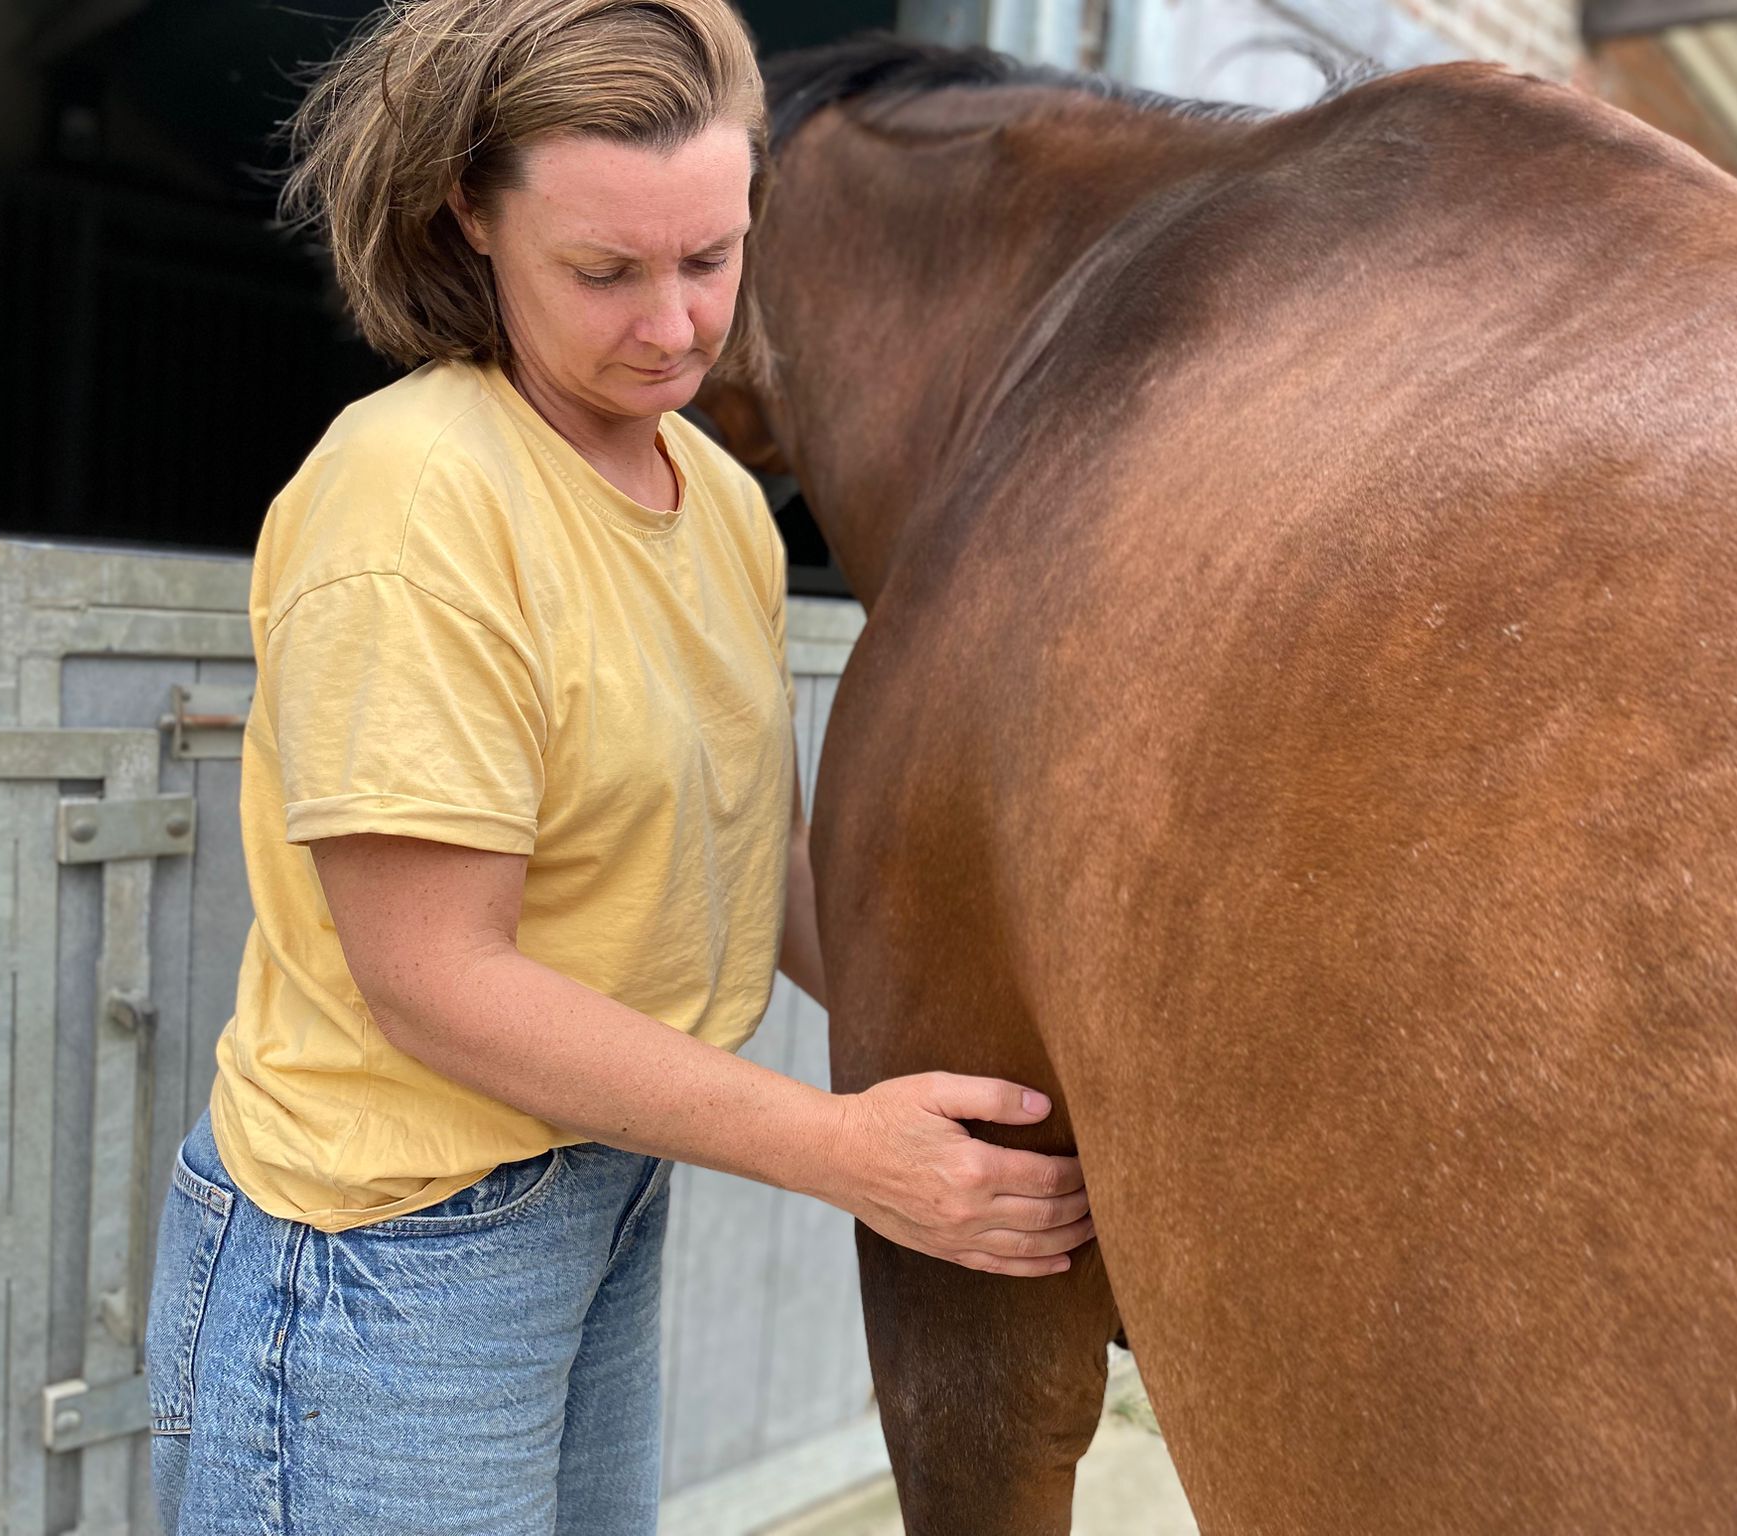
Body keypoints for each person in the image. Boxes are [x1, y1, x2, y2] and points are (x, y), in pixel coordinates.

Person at [141, 3, 1093, 1531]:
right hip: (388, 1252)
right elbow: (436, 980)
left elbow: (763, 859)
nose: (674, 328)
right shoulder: (417, 500)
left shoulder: (713, 495)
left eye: (711, 257)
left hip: (600, 1181)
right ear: (471, 215)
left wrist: (1027, 1064)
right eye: (605, 271)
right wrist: (846, 1151)